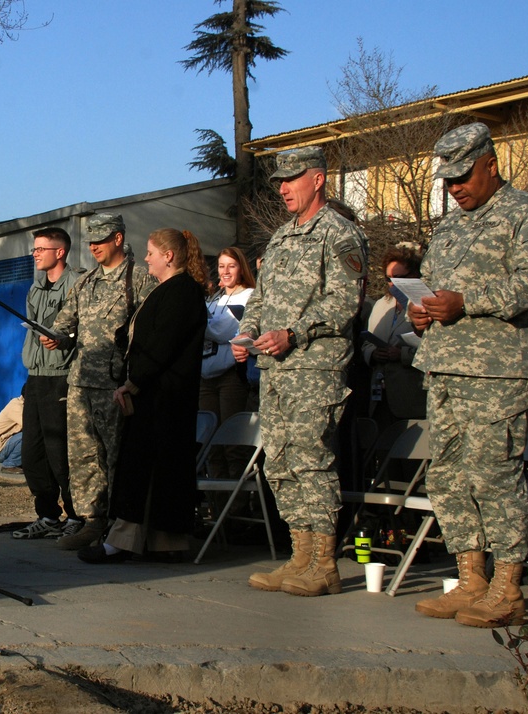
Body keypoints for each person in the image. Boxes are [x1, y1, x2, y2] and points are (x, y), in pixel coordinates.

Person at [409, 122, 528, 628]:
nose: (455, 188)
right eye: (448, 180)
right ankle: (471, 579)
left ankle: (508, 588)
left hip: (499, 373)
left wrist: (467, 303)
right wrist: (422, 311)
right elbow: (434, 284)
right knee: (449, 475)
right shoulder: (450, 226)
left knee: (494, 476)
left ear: (491, 165)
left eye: (463, 176)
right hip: (445, 367)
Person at [232, 145, 368, 597]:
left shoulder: (340, 234)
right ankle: (299, 556)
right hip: (274, 368)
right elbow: (262, 298)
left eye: (291, 179)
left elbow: (345, 302)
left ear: (318, 179)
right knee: (281, 462)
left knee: (312, 459)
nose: (284, 188)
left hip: (316, 366)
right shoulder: (282, 237)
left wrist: (295, 332)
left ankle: (324, 562)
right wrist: (246, 333)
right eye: (279, 182)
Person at [78, 229, 210, 563]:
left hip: (164, 396)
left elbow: (163, 344)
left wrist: (133, 382)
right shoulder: (167, 291)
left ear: (169, 256)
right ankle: (159, 542)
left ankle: (132, 541)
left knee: (148, 467)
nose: (146, 257)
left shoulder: (183, 292)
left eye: (151, 252)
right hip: (157, 395)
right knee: (152, 467)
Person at [43, 214, 155, 550]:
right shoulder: (85, 281)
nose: (93, 246)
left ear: (118, 239)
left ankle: (120, 524)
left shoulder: (140, 279)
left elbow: (150, 331)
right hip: (81, 382)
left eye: (101, 240)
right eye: (90, 241)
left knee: (116, 456)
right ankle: (92, 522)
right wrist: (56, 338)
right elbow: (65, 323)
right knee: (84, 457)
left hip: (116, 382)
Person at [13, 227, 84, 539]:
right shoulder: (35, 288)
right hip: (36, 377)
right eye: (34, 248)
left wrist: (64, 341)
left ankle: (77, 516)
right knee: (32, 454)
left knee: (60, 454)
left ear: (60, 252)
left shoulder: (77, 283)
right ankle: (48, 515)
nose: (36, 253)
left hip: (61, 379)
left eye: (42, 248)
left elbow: (85, 331)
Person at [200, 247, 256, 480]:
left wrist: (199, 320)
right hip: (205, 378)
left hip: (232, 376)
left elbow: (223, 331)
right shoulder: (215, 300)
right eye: (221, 266)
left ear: (241, 268)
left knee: (232, 443)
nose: (225, 271)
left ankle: (237, 509)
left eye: (231, 266)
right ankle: (218, 508)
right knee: (210, 444)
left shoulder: (250, 296)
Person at [362, 244, 426, 428]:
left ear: (415, 275)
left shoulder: (425, 305)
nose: (393, 284)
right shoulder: (382, 304)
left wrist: (402, 355)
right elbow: (366, 342)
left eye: (399, 278)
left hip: (411, 396)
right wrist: (373, 354)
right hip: (380, 396)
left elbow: (435, 349)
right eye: (389, 278)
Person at [0, 395, 24, 474]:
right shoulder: (16, 406)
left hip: (7, 444)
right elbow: (31, 426)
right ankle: (10, 464)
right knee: (29, 436)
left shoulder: (25, 406)